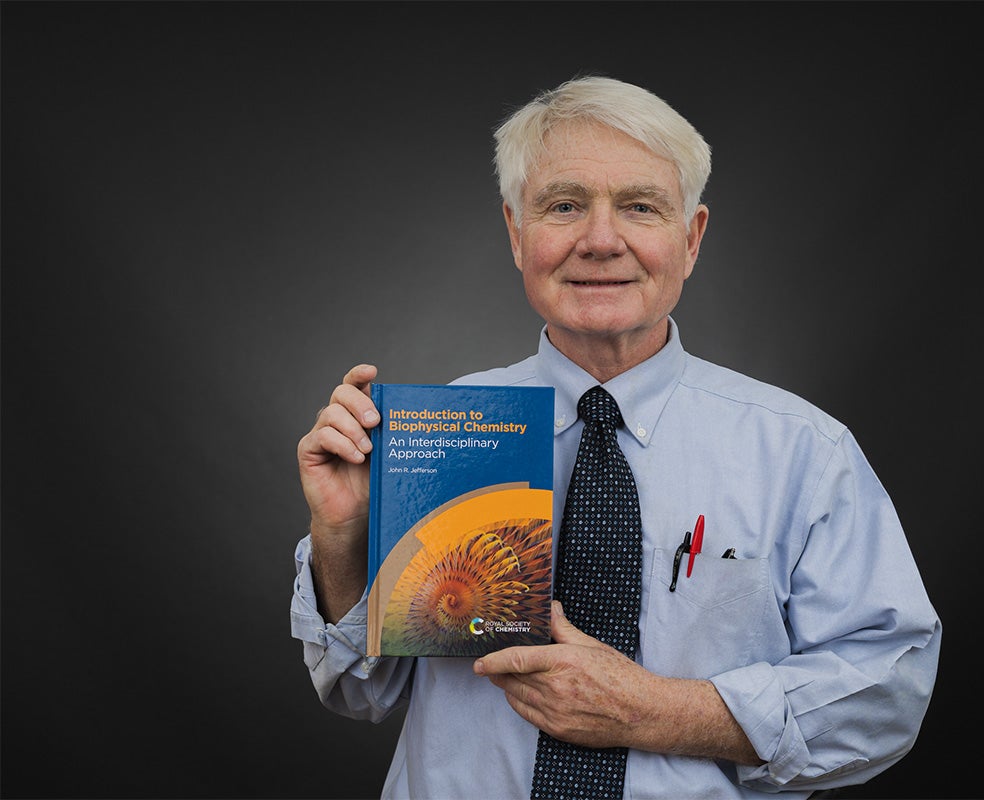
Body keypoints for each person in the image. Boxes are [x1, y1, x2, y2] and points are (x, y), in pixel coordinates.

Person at [292, 75, 942, 799]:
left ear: (690, 239)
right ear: (516, 233)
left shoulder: (803, 453)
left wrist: (654, 712)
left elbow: (889, 692)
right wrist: (342, 538)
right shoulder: (440, 436)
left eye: (640, 207)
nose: (601, 242)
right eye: (564, 206)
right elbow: (362, 690)